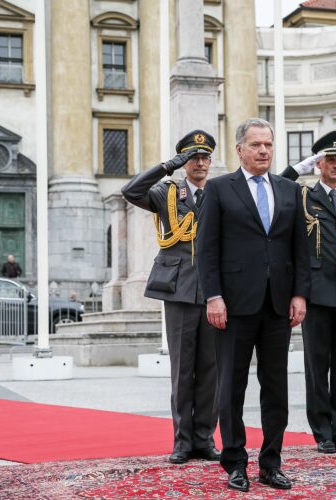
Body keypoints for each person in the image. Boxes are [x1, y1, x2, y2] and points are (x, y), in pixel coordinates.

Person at [197, 118, 310, 492]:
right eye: (256, 145)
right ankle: (235, 462)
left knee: (276, 387)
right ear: (239, 150)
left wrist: (299, 294)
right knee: (231, 387)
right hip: (233, 305)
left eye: (269, 145)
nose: (264, 151)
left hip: (278, 304)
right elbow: (207, 249)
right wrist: (213, 296)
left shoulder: (289, 190)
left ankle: (271, 463)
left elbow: (300, 248)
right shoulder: (218, 189)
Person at [121, 130, 220, 465]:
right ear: (184, 161)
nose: (200, 163)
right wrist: (166, 166)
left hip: (213, 292)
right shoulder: (167, 192)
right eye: (193, 157)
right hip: (177, 289)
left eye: (205, 157)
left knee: (210, 370)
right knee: (182, 369)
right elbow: (131, 191)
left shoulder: (220, 193)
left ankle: (205, 439)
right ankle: (182, 441)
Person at [280, 131, 336, 455]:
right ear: (319, 164)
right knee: (318, 367)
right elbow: (277, 183)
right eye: (330, 159)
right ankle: (323, 432)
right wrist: (299, 168)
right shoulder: (303, 196)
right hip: (316, 293)